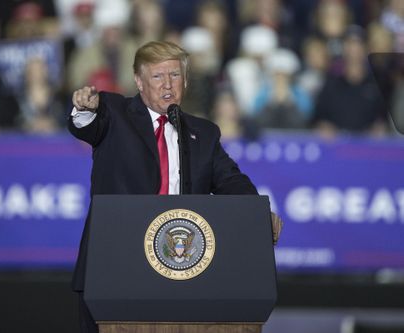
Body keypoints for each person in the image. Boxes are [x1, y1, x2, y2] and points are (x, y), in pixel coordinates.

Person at [68, 41, 283, 333]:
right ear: (139, 81)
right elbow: (87, 124)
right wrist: (84, 108)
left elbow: (231, 180)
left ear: (186, 80)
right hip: (116, 266)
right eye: (157, 76)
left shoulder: (203, 133)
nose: (167, 84)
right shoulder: (114, 112)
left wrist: (257, 214)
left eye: (175, 75)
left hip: (179, 273)